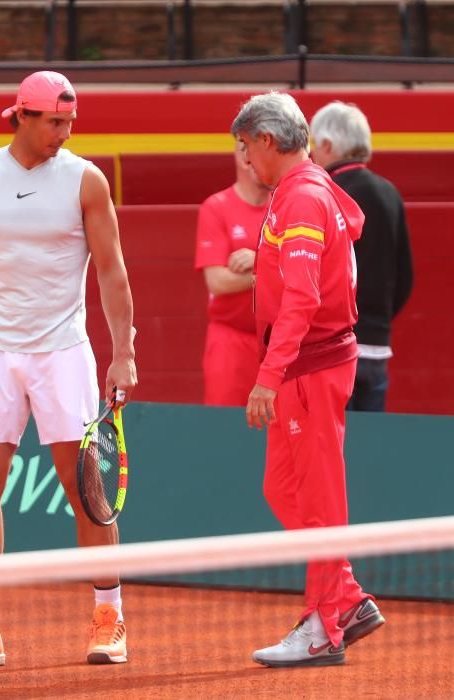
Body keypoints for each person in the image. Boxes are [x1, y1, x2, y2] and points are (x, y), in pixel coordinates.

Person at [0, 71, 137, 669]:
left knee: (85, 491)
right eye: (54, 123)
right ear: (22, 116)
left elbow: (112, 271)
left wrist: (123, 351)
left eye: (70, 123)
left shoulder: (86, 181)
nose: (64, 134)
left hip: (62, 353)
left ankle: (109, 616)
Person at [230, 92, 385, 668]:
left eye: (246, 148)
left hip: (308, 370)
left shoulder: (301, 198)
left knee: (318, 501)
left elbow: (301, 297)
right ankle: (344, 597)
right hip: (301, 366)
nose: (245, 160)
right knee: (284, 490)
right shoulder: (303, 189)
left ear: (267, 141)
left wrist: (267, 378)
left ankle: (326, 623)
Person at [310, 101, 414, 411]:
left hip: (334, 349)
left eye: (316, 144)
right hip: (377, 346)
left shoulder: (326, 193)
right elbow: (405, 276)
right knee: (368, 449)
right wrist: (376, 322)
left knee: (333, 450)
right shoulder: (389, 193)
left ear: (328, 144)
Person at [194, 142, 270, 406]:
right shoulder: (217, 207)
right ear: (240, 156)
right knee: (225, 430)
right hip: (231, 341)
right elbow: (218, 281)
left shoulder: (286, 205)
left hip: (278, 341)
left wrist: (259, 262)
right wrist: (267, 276)